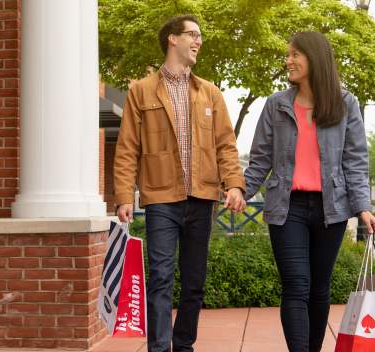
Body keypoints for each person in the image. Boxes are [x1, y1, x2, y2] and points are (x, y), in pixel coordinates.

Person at [114, 15, 246, 352]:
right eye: (193, 35)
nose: (198, 41)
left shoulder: (210, 94)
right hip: (161, 198)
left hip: (202, 198)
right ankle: (159, 348)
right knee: (160, 278)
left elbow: (225, 145)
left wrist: (234, 185)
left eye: (200, 36)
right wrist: (124, 195)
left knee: (194, 283)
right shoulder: (140, 91)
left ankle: (183, 345)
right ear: (173, 39)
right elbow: (129, 146)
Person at [243, 31, 375, 352]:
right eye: (288, 55)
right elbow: (260, 158)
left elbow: (355, 160)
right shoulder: (276, 105)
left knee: (319, 290)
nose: (288, 60)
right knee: (296, 287)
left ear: (314, 58)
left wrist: (364, 207)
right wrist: (241, 192)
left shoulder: (346, 104)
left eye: (294, 55)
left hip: (331, 209)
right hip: (286, 207)